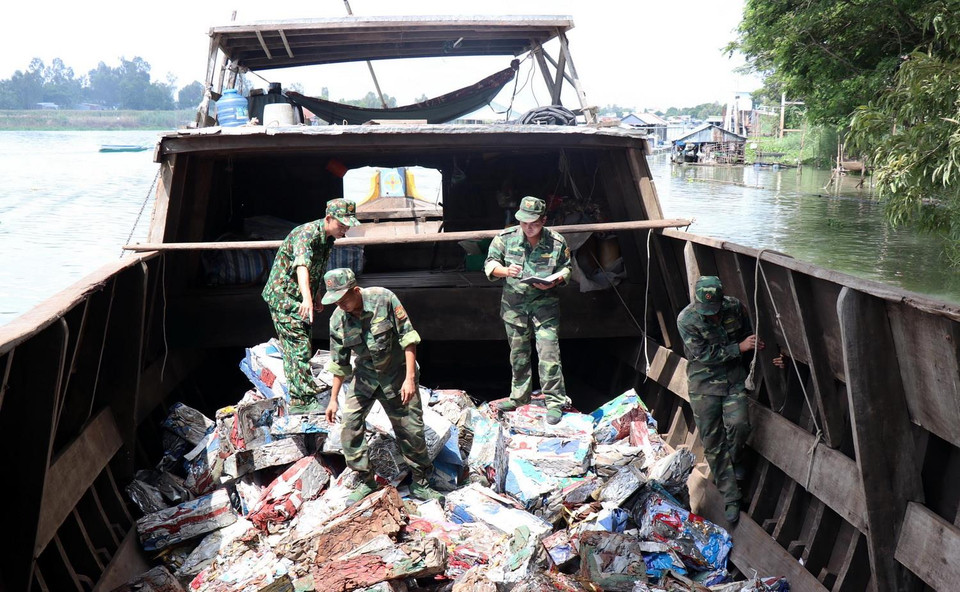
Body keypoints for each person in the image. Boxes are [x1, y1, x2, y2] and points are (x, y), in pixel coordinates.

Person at [321, 268, 445, 505]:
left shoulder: (384, 298)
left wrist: (410, 378)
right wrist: (333, 399)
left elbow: (408, 338)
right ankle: (367, 482)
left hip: (397, 376)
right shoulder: (337, 320)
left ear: (355, 291)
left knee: (411, 430)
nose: (340, 304)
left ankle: (420, 484)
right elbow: (339, 364)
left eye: (343, 299)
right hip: (366, 378)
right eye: (335, 300)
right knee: (349, 426)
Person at [261, 199, 360, 413]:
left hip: (300, 297)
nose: (345, 229)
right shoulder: (306, 234)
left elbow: (318, 267)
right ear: (328, 219)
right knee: (297, 347)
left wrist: (316, 295)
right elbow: (302, 266)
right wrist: (306, 298)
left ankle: (303, 393)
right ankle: (302, 402)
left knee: (303, 343)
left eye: (347, 225)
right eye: (341, 224)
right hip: (285, 297)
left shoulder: (327, 239)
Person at [677, 275, 761, 524]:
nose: (712, 316)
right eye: (707, 311)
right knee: (712, 441)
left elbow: (749, 336)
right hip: (704, 386)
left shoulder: (734, 307)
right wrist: (739, 348)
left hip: (733, 379)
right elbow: (702, 355)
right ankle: (732, 496)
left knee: (739, 424)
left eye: (715, 311)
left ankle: (734, 462)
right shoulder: (687, 319)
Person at [484, 196, 572, 425]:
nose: (528, 227)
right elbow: (490, 264)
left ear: (543, 220)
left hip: (545, 307)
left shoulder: (557, 241)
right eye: (524, 222)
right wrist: (505, 271)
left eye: (533, 222)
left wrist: (555, 280)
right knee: (519, 356)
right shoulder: (505, 238)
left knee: (549, 354)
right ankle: (519, 398)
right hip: (515, 307)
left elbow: (566, 268)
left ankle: (554, 402)